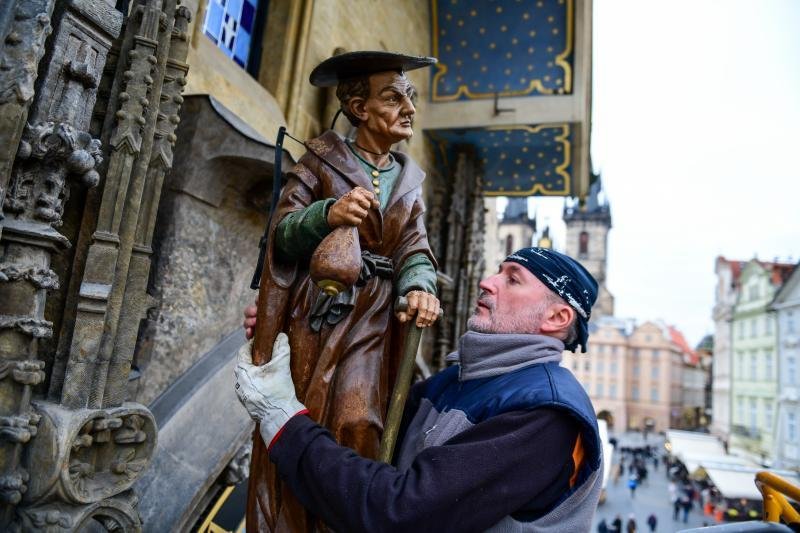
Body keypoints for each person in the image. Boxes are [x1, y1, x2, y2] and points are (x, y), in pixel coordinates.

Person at [236, 247, 603, 531]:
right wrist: (297, 330)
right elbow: (364, 428)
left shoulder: (546, 415)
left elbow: (399, 514)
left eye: (512, 279)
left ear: (556, 318)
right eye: (497, 271)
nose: (487, 282)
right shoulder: (459, 380)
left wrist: (280, 417)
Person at [245, 51, 441, 531]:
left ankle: (343, 519)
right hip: (321, 312)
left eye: (410, 97)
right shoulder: (319, 160)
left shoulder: (410, 181)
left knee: (359, 422)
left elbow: (415, 248)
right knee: (307, 417)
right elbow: (282, 234)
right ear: (359, 109)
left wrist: (419, 285)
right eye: (394, 97)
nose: (409, 109)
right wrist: (326, 215)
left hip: (376, 319)